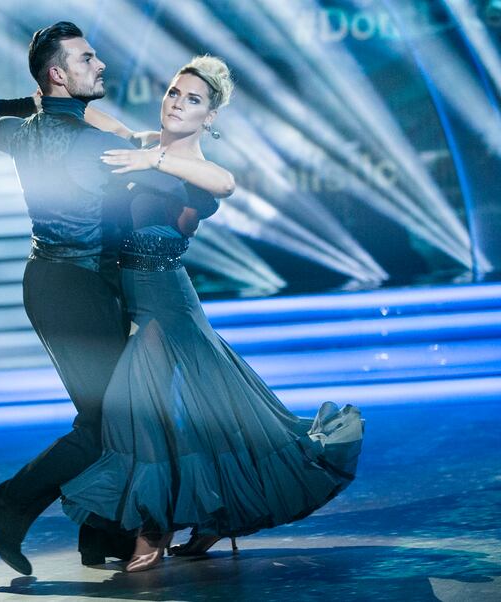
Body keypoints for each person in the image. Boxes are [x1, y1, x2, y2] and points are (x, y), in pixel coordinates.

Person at [60, 55, 364, 572]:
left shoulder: (193, 171)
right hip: (126, 297)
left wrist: (153, 160)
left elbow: (225, 183)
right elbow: (91, 118)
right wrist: (42, 99)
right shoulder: (143, 147)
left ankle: (153, 529)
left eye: (193, 99)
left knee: (149, 413)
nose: (178, 103)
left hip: (163, 303)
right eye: (174, 92)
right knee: (190, 417)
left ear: (210, 117)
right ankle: (212, 517)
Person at [0, 21, 208, 575]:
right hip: (79, 291)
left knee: (118, 416)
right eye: (86, 59)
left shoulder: (24, 132)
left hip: (54, 286)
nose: (99, 65)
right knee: (107, 422)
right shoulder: (103, 149)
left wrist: (33, 102)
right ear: (59, 74)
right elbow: (197, 190)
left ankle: (101, 536)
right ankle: (4, 510)